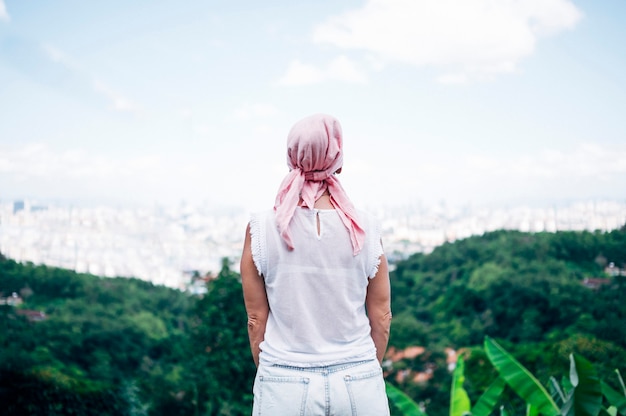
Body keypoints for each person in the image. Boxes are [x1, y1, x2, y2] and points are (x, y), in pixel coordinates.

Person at [240, 113, 392, 415]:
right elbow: (383, 317)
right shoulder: (367, 228)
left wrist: (274, 373)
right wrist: (363, 370)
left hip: (285, 379)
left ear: (290, 157)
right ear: (338, 160)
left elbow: (256, 320)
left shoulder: (261, 228)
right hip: (358, 379)